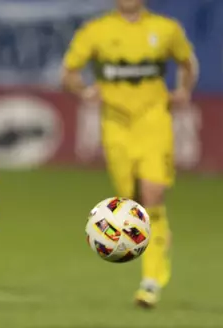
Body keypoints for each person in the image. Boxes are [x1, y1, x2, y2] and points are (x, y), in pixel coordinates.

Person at [61, 0, 199, 308]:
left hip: (154, 123)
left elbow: (188, 62)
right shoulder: (96, 31)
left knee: (153, 196)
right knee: (132, 201)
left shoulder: (165, 29)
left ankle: (151, 280)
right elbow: (69, 72)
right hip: (116, 127)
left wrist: (184, 91)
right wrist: (83, 91)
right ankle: (146, 252)